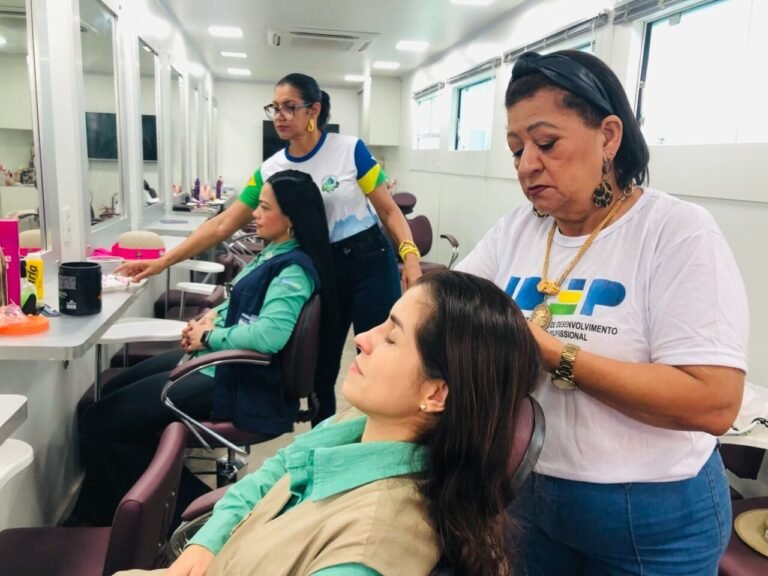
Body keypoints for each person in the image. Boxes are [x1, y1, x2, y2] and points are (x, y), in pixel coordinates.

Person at [455, 49, 748, 575]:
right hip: (531, 496)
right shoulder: (518, 230)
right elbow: (452, 307)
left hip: (651, 517)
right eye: (516, 149)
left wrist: (552, 354)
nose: (526, 164)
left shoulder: (675, 231)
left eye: (546, 144)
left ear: (608, 137)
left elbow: (714, 402)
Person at [116, 271, 541, 576]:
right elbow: (276, 470)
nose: (363, 338)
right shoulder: (359, 423)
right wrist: (209, 542)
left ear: (435, 394)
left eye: (391, 337)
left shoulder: (369, 547)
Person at [116, 73, 421, 424]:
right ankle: (326, 437)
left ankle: (383, 430)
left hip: (370, 261)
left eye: (290, 107)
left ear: (314, 110)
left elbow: (388, 210)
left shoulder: (350, 151)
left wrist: (410, 257)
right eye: (275, 108)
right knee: (323, 364)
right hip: (324, 267)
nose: (280, 115)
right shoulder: (272, 168)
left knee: (380, 352)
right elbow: (221, 224)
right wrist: (161, 262)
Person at [74, 170, 336, 526]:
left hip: (231, 378)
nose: (254, 214)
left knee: (99, 422)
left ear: (291, 217)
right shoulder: (276, 252)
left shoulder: (294, 270)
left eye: (263, 208)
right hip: (214, 361)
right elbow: (242, 303)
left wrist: (210, 339)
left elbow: (268, 337)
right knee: (110, 394)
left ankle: (196, 511)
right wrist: (208, 319)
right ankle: (109, 510)